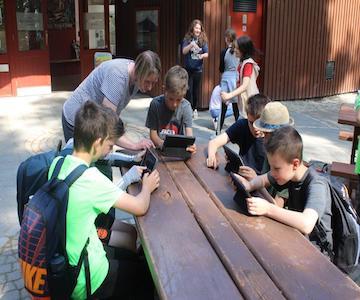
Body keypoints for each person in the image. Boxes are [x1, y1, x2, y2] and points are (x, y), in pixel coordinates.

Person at [49, 101, 160, 299]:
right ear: (98, 142)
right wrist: (148, 187)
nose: (110, 151)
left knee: (137, 259)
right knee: (149, 279)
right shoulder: (91, 179)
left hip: (67, 261)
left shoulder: (58, 163)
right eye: (110, 145)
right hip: (87, 278)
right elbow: (140, 206)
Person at [234, 126, 332, 249]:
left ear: (295, 164)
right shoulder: (286, 172)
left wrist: (268, 209)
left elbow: (307, 223)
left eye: (276, 168)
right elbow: (262, 180)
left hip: (318, 254)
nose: (272, 172)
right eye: (271, 167)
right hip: (296, 240)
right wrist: (248, 185)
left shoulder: (317, 185)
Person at [62, 50, 161, 150]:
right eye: (147, 82)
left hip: (93, 120)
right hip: (77, 119)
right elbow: (108, 123)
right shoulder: (117, 75)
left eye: (153, 83)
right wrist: (134, 145)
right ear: (138, 71)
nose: (150, 87)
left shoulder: (136, 77)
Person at [207, 94, 271, 174]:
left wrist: (257, 179)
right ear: (247, 116)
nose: (255, 128)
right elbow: (214, 142)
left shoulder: (273, 137)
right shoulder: (242, 125)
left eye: (259, 124)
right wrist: (211, 156)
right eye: (251, 123)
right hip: (240, 175)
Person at [145, 65, 196, 154]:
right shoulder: (155, 104)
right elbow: (153, 134)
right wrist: (162, 145)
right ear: (165, 90)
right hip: (159, 149)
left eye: (179, 100)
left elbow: (189, 134)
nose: (174, 104)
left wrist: (190, 145)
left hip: (178, 151)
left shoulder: (186, 106)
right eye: (171, 99)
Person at [221, 35, 259, 117]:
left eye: (237, 48)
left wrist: (229, 95)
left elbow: (245, 85)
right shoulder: (241, 63)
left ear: (243, 50)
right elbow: (239, 85)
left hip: (251, 103)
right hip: (244, 103)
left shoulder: (248, 64)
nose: (235, 50)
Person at [182, 19, 209, 119]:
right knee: (188, 90)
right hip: (188, 69)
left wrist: (202, 56)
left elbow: (206, 53)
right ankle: (188, 109)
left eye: (199, 28)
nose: (197, 30)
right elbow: (184, 51)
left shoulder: (203, 40)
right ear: (192, 28)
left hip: (198, 69)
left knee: (195, 90)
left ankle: (194, 109)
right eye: (196, 28)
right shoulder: (187, 39)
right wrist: (191, 45)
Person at [219, 28, 240, 132]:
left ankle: (219, 129)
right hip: (235, 78)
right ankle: (239, 128)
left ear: (227, 39)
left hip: (226, 78)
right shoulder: (239, 52)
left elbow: (221, 68)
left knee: (223, 106)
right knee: (236, 106)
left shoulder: (224, 52)